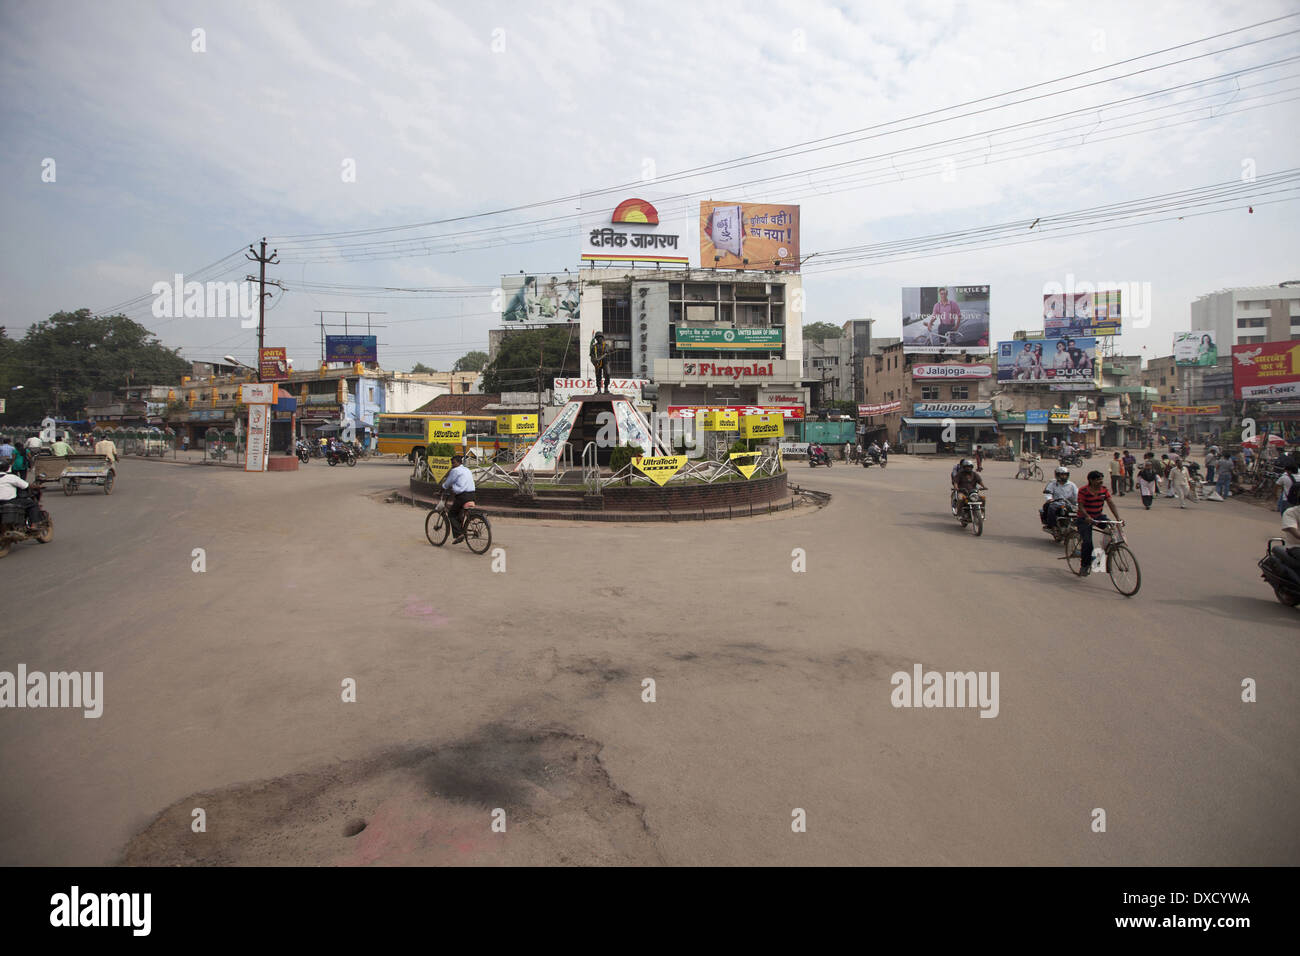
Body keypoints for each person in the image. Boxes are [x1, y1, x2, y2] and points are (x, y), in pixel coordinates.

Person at [1075, 470, 1122, 576]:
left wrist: (1118, 518)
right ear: (1091, 480)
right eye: (1098, 479)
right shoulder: (1083, 491)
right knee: (1087, 542)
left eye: (1101, 479)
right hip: (1084, 519)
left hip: (1098, 517)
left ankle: (1107, 553)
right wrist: (1087, 516)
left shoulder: (1104, 490)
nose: (1101, 481)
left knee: (1112, 530)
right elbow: (1081, 506)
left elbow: (1110, 503)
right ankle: (1084, 566)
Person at [440, 453, 477, 543]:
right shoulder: (467, 469)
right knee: (459, 513)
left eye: (453, 463)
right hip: (472, 495)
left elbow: (447, 483)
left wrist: (441, 491)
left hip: (462, 496)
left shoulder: (455, 471)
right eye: (452, 463)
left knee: (451, 514)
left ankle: (459, 534)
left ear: (458, 463)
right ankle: (462, 528)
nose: (452, 465)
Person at [0, 458, 41, 527]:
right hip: (10, 501)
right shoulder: (11, 477)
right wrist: (37, 486)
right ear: (7, 468)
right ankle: (34, 525)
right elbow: (26, 485)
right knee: (33, 505)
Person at [1041, 465, 1078, 529]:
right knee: (1051, 508)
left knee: (1079, 513)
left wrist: (1078, 502)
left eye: (1065, 475)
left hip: (1068, 503)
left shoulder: (1072, 485)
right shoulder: (1053, 483)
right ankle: (1052, 525)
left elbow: (1076, 494)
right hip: (1056, 502)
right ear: (1057, 475)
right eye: (1062, 475)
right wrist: (1049, 499)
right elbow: (1048, 492)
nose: (1064, 476)